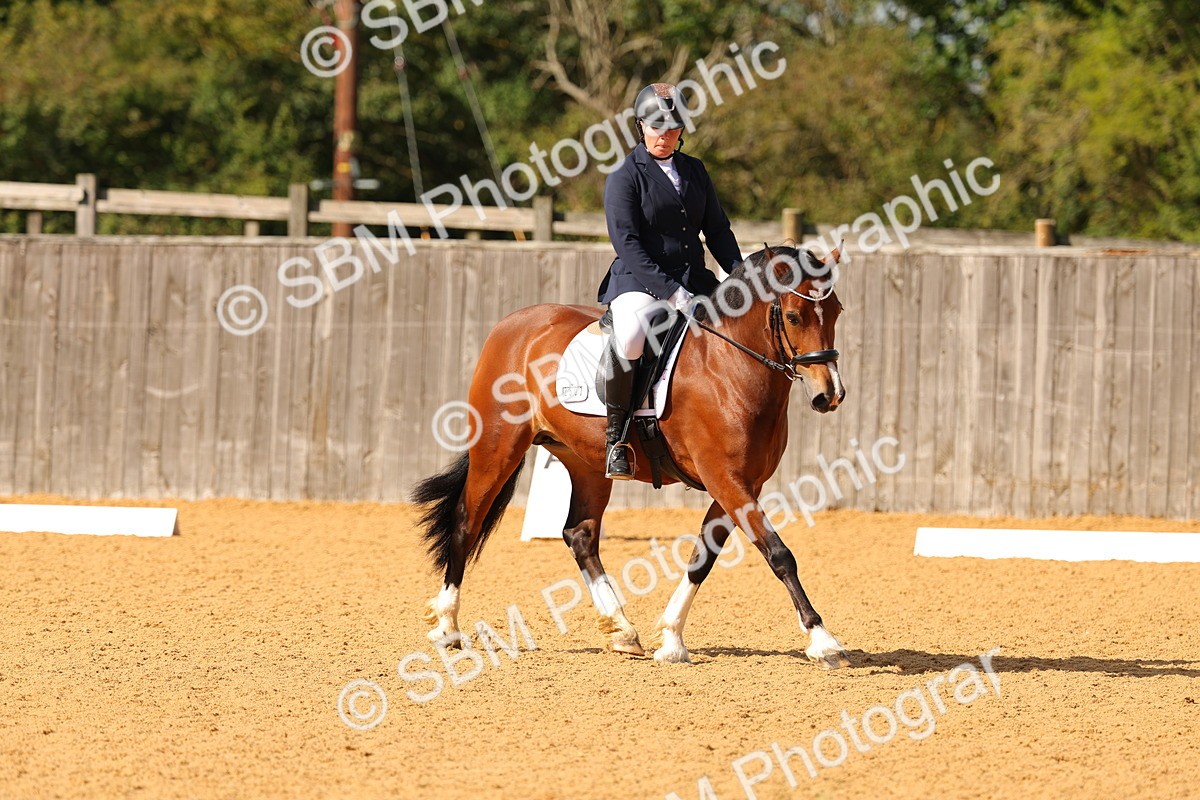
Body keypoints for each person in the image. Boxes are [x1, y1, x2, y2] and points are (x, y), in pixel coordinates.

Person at [597, 82, 743, 480]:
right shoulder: (625, 177)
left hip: (696, 278)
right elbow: (627, 244)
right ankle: (617, 439)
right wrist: (672, 292)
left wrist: (743, 274)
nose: (665, 135)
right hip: (639, 281)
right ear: (640, 126)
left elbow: (717, 229)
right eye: (657, 127)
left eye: (673, 127)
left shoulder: (694, 170)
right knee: (629, 335)